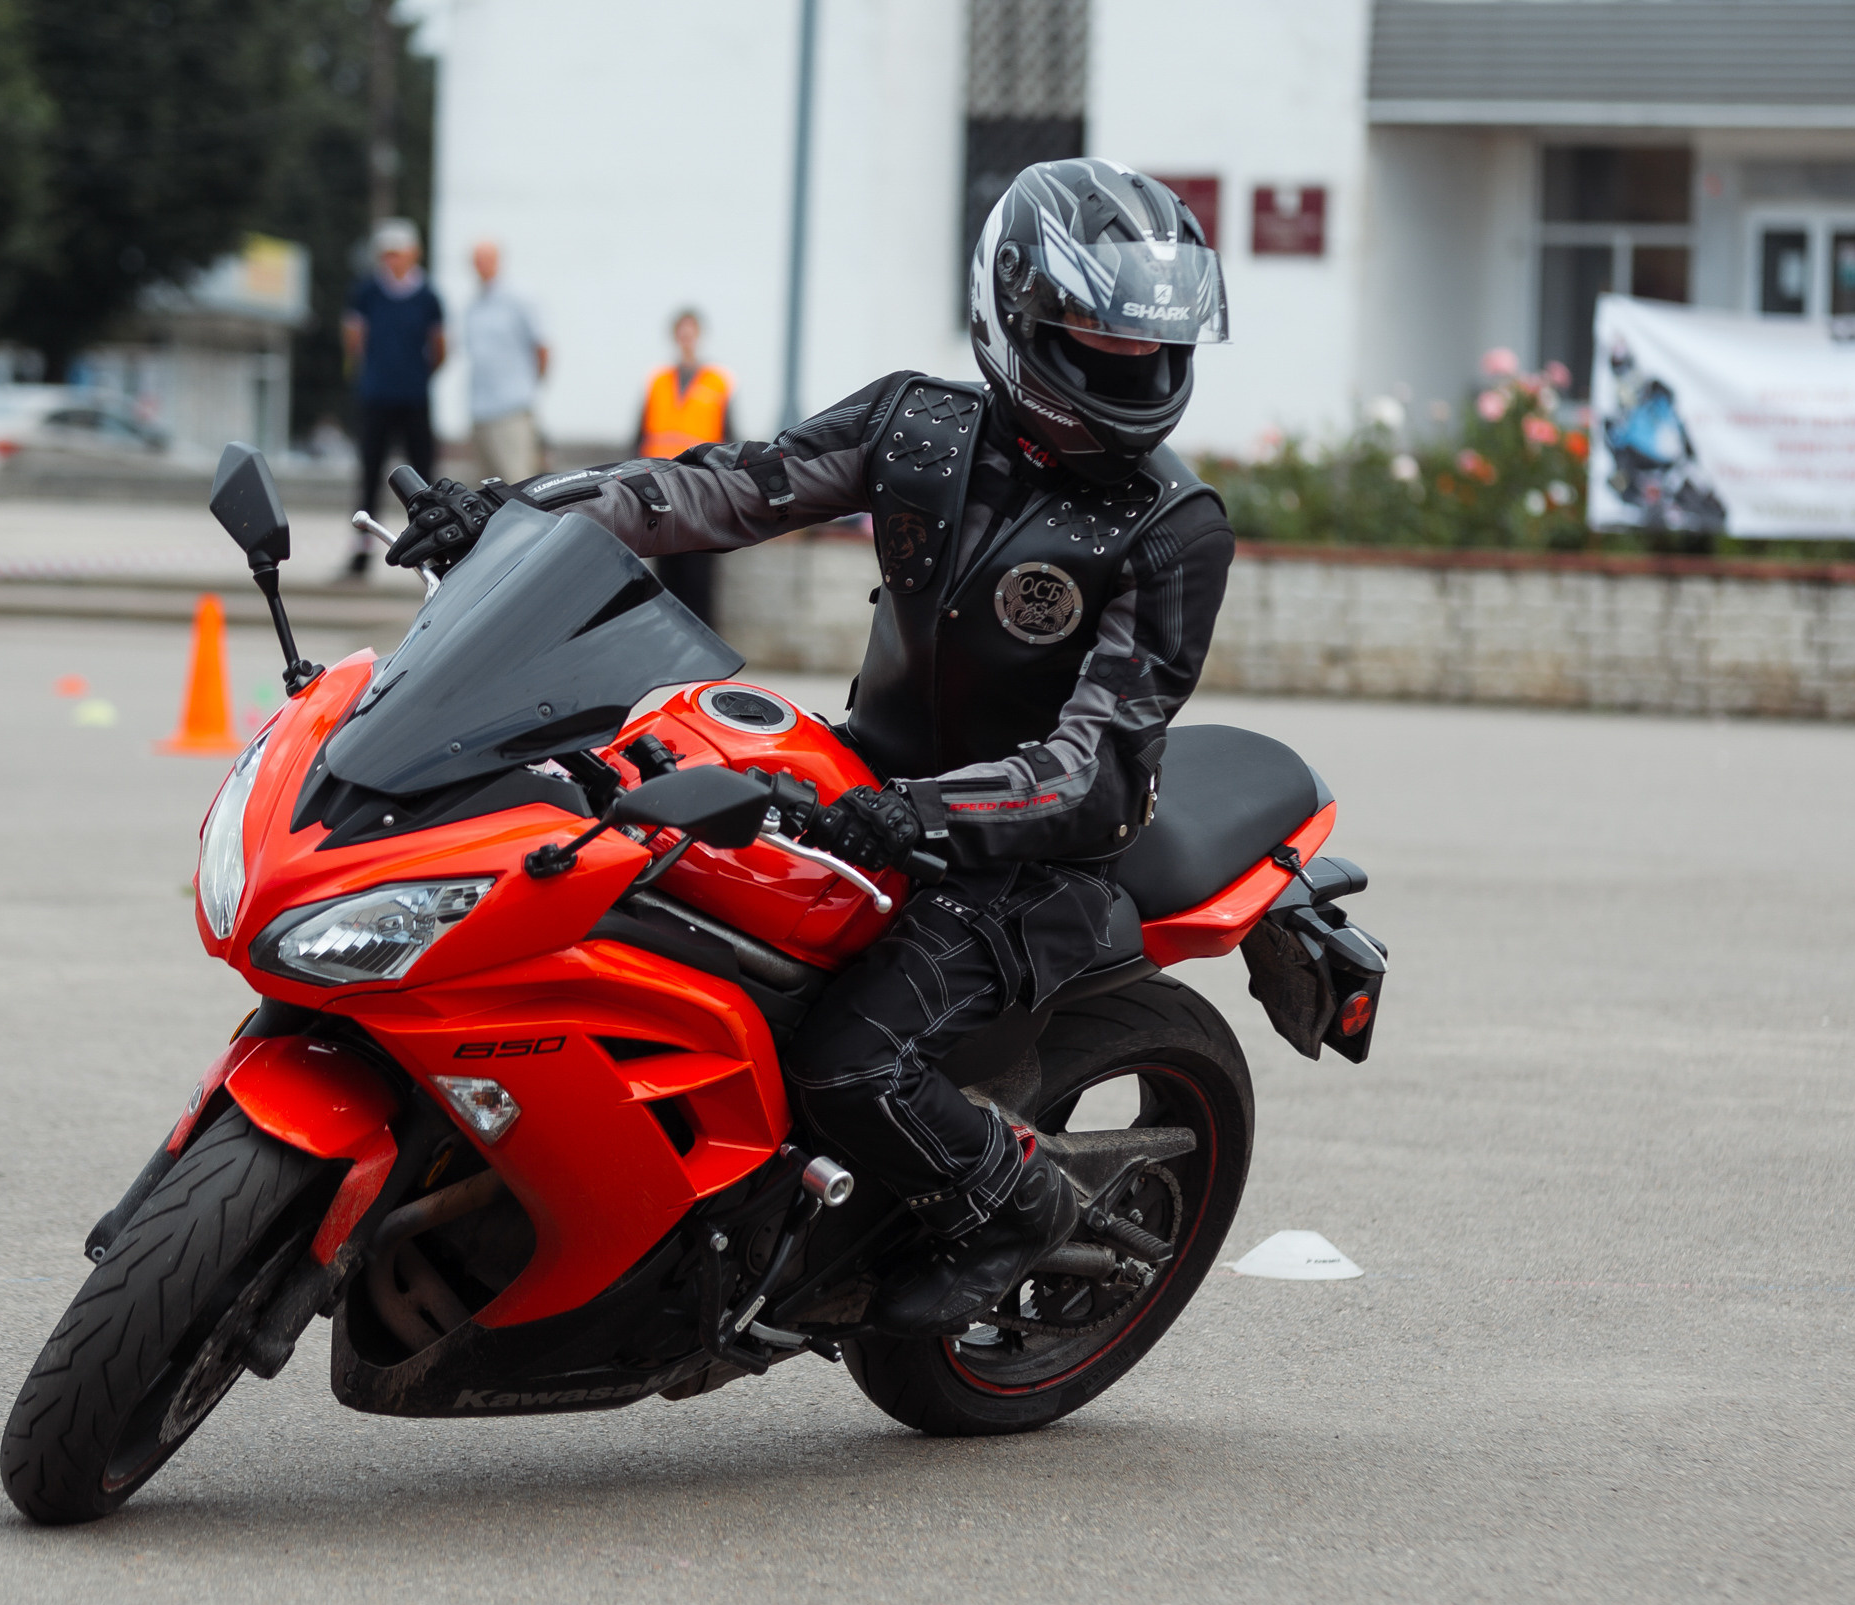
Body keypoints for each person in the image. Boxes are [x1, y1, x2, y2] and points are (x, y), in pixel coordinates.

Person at [388, 160, 1233, 1335]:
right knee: (611, 873)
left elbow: (1091, 766)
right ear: (1016, 315)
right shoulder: (918, 425)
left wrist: (928, 815)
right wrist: (516, 510)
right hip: (863, 781)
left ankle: (1013, 1203)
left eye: (1149, 348)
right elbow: (715, 490)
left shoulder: (1170, 527)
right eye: (1097, 340)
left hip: (1025, 863)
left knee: (845, 1060)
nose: (1130, 369)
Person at [342, 218, 446, 579]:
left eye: (397, 254)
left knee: (423, 478)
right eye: (387, 254)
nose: (392, 261)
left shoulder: (428, 295)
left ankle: (438, 548)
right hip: (377, 396)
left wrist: (416, 373)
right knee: (370, 475)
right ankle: (361, 552)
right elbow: (354, 337)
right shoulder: (367, 292)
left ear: (413, 254)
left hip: (413, 396)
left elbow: (439, 345)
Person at [633, 308, 732, 624]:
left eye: (691, 332)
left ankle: (704, 642)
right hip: (660, 489)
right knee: (667, 571)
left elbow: (728, 438)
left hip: (701, 490)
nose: (686, 339)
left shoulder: (718, 383)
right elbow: (640, 436)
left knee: (699, 572)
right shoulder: (658, 382)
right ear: (676, 336)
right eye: (681, 332)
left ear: (698, 336)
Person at [463, 240, 548, 484]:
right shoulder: (475, 304)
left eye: (486, 259)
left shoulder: (519, 299)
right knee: (485, 486)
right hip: (481, 409)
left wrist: (527, 387)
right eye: (477, 260)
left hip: (511, 409)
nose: (481, 266)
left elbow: (542, 348)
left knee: (517, 482)